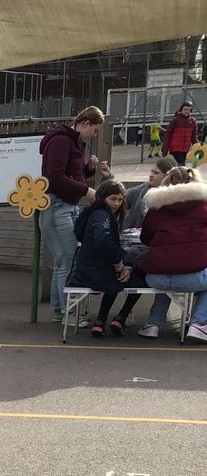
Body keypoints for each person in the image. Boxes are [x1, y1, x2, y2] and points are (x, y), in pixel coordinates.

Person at [39, 106, 110, 324]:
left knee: (64, 261)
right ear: (86, 123)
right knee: (67, 260)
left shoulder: (74, 142)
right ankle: (68, 314)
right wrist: (86, 190)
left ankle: (59, 310)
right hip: (57, 205)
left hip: (66, 205)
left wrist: (88, 168)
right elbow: (55, 177)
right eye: (95, 130)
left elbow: (72, 174)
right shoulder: (61, 141)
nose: (95, 135)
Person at [67, 180, 159, 337]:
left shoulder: (93, 213)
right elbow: (103, 240)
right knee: (141, 278)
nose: (117, 203)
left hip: (87, 270)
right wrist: (120, 264)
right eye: (113, 199)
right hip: (95, 274)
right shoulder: (102, 215)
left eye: (120, 199)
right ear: (103, 198)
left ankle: (100, 322)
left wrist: (122, 265)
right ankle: (120, 318)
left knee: (120, 276)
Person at [138, 165, 207, 342]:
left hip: (156, 276)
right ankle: (198, 324)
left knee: (167, 281)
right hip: (191, 276)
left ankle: (153, 324)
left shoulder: (156, 208)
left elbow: (145, 238)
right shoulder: (203, 206)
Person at [124, 156, 174, 230]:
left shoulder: (175, 196)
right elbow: (120, 196)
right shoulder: (142, 189)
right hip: (136, 237)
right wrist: (108, 177)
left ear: (167, 177)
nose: (151, 175)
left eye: (156, 173)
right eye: (152, 171)